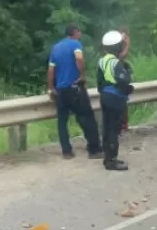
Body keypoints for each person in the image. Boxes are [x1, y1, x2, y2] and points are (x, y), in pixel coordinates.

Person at [47, 25, 103, 159]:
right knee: (87, 117)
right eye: (79, 31)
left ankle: (67, 151)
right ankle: (94, 149)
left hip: (61, 91)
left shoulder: (56, 47)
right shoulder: (75, 44)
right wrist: (82, 76)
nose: (80, 34)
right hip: (75, 88)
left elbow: (51, 70)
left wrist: (51, 88)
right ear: (75, 33)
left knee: (62, 121)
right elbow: (79, 59)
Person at [97, 30, 134, 171]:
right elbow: (123, 81)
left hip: (105, 97)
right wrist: (128, 87)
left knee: (107, 128)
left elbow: (100, 82)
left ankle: (107, 158)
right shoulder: (116, 64)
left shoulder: (102, 61)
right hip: (116, 99)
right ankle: (112, 161)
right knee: (114, 129)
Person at [117, 26, 132, 132]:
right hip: (118, 76)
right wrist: (127, 45)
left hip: (121, 75)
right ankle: (121, 124)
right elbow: (121, 56)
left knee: (123, 100)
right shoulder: (116, 48)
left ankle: (123, 124)